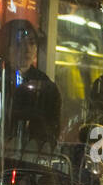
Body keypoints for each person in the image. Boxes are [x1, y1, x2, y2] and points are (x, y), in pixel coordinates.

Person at [4, 19, 61, 149]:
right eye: (20, 43)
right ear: (7, 46)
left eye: (32, 43)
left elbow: (51, 134)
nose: (27, 49)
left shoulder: (46, 87)